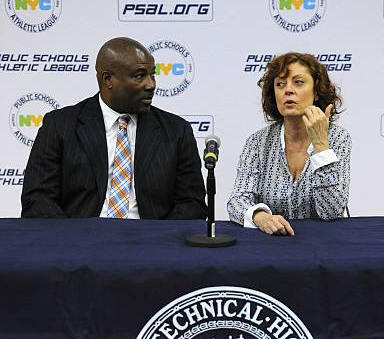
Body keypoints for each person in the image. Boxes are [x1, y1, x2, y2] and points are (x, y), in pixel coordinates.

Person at [21, 37, 207, 220]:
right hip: (79, 241)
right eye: (140, 75)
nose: (151, 85)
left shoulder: (176, 131)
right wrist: (70, 239)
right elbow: (37, 198)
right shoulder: (60, 125)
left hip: (150, 242)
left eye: (153, 74)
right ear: (108, 79)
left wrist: (159, 239)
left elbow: (192, 203)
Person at [227, 52, 351, 235]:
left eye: (298, 82)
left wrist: (320, 145)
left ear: (316, 92)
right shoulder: (257, 142)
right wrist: (261, 217)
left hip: (324, 248)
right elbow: (237, 201)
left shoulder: (337, 138)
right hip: (273, 247)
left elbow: (331, 211)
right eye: (280, 84)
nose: (288, 90)